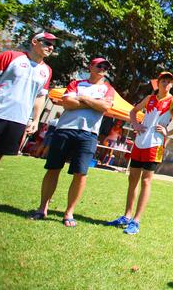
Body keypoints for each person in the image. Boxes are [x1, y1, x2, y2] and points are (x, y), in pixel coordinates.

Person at [29, 58, 115, 227]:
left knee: (81, 174)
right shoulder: (76, 83)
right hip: (65, 130)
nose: (102, 68)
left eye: (105, 67)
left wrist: (82, 99)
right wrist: (93, 103)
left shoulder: (108, 89)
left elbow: (105, 107)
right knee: (53, 169)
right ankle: (42, 207)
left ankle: (69, 213)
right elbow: (67, 103)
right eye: (99, 65)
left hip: (88, 134)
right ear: (91, 67)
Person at [107, 71, 173, 235]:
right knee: (132, 179)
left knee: (146, 181)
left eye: (169, 81)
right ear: (158, 83)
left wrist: (168, 132)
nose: (166, 84)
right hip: (140, 143)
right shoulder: (149, 98)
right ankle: (126, 216)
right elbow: (133, 111)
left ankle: (136, 221)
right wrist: (135, 125)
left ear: (172, 85)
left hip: (155, 145)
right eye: (163, 81)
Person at [0, 32, 55, 193]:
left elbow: (40, 97)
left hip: (17, 120)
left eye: (53, 44)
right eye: (47, 43)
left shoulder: (47, 71)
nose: (51, 47)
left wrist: (35, 120)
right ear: (35, 41)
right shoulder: (11, 56)